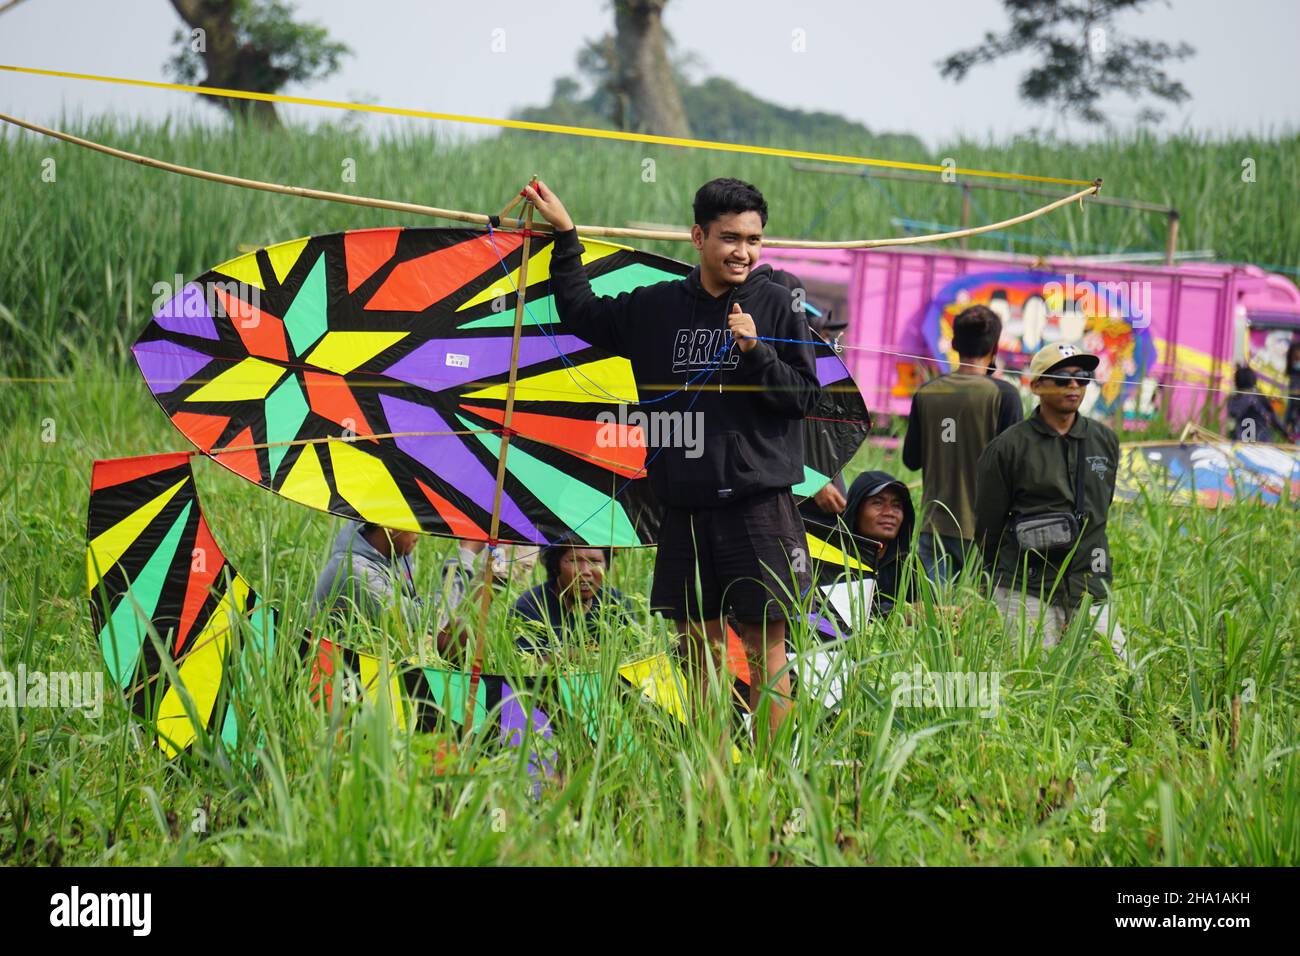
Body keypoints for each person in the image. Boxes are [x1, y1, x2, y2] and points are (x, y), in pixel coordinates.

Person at [525, 177, 822, 744]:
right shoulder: (657, 306)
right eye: (730, 238)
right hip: (683, 510)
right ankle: (711, 779)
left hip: (758, 505)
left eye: (754, 240)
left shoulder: (781, 299)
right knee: (698, 651)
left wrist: (757, 353)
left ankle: (771, 781)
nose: (743, 252)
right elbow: (579, 313)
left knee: (765, 652)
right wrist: (566, 235)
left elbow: (804, 399)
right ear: (697, 236)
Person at [974, 344, 1127, 663]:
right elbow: (988, 526)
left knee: (1117, 672)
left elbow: (1103, 509)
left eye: (1083, 378)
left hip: (1089, 584)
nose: (1074, 386)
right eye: (1062, 378)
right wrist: (993, 582)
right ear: (1037, 385)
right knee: (1029, 680)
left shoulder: (1104, 440)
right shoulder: (1007, 447)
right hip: (1025, 586)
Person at [902, 304, 1022, 584]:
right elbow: (1016, 468)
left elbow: (911, 460)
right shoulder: (1004, 395)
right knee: (977, 620)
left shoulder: (927, 392)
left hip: (935, 529)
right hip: (986, 534)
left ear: (954, 343)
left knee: (933, 620)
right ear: (995, 348)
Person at [310, 521, 426, 636]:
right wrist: (444, 590)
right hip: (335, 653)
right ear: (390, 524)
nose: (420, 530)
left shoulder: (397, 551)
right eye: (413, 520)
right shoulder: (356, 571)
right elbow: (412, 619)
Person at [513, 543, 631, 655]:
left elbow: (635, 655)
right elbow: (524, 664)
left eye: (595, 561)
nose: (585, 571)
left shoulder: (617, 602)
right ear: (556, 566)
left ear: (606, 566)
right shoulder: (530, 606)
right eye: (574, 560)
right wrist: (573, 655)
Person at [1227, 365, 1287, 443]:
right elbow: (1274, 418)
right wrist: (1286, 434)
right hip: (1260, 443)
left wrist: (1286, 434)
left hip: (1252, 443)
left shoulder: (1239, 398)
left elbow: (1233, 412)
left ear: (1237, 382)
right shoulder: (1258, 397)